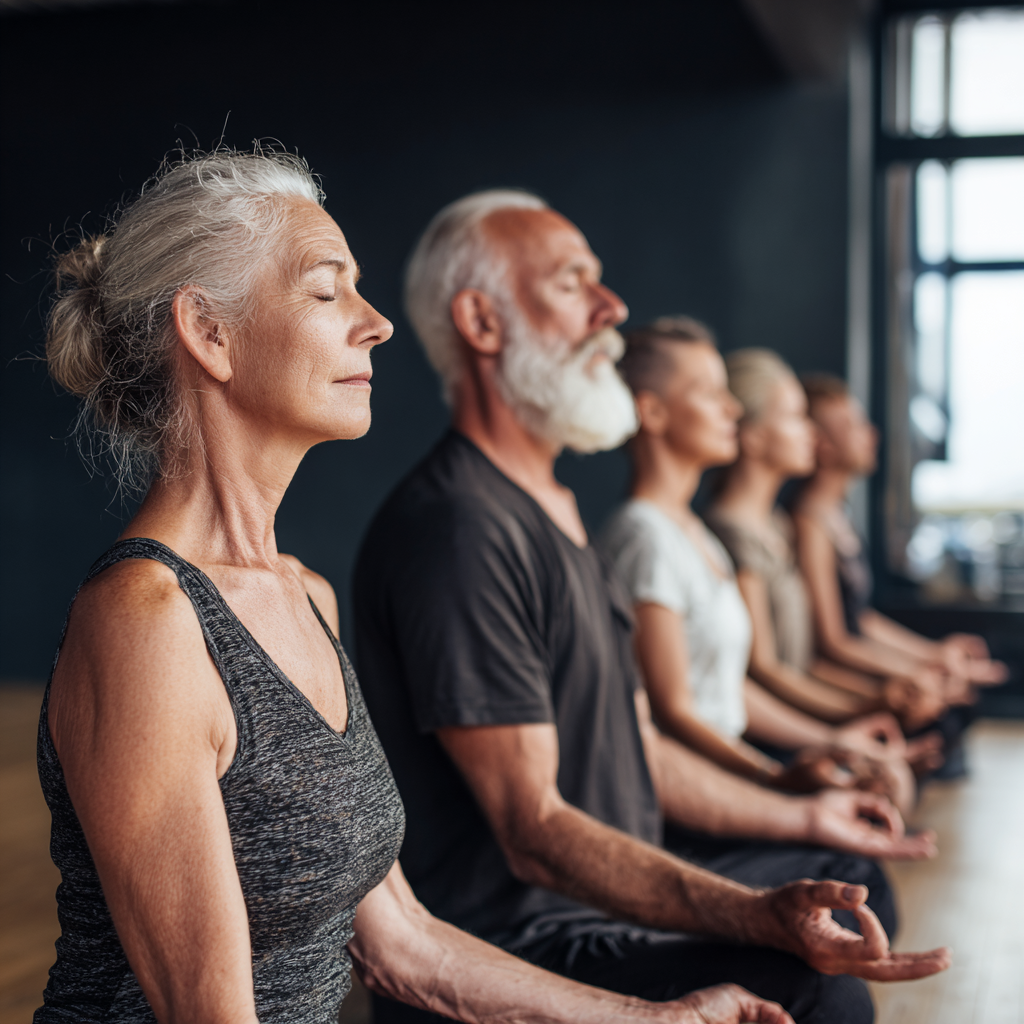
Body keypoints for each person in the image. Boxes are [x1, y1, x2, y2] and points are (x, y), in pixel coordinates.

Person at [34, 150, 800, 1024]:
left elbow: (404, 943)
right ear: (210, 334)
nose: (377, 324)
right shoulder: (146, 620)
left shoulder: (305, 597)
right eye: (328, 291)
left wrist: (659, 1018)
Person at [353, 189, 950, 1024]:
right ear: (481, 323)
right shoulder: (460, 528)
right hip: (526, 943)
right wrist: (753, 913)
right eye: (572, 284)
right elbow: (532, 828)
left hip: (602, 902)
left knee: (848, 881)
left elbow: (642, 747)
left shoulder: (556, 510)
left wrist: (801, 806)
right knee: (821, 993)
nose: (612, 308)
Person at [600, 318, 916, 813]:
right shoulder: (643, 536)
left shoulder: (693, 533)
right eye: (710, 393)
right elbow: (674, 711)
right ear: (652, 412)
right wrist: (775, 779)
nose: (732, 409)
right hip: (692, 794)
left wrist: (834, 741)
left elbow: (730, 690)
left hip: (727, 768)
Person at [705, 349, 950, 737]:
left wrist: (888, 695)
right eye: (795, 418)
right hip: (773, 732)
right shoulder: (732, 534)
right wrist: (862, 711)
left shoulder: (778, 525)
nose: (812, 434)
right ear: (752, 436)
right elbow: (766, 669)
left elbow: (807, 661)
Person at [791, 373, 1007, 768]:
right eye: (853, 425)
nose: (871, 434)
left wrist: (934, 658)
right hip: (836, 678)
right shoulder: (810, 523)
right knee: (943, 720)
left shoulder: (838, 515)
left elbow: (862, 619)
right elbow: (834, 642)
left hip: (857, 667)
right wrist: (917, 676)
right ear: (822, 444)